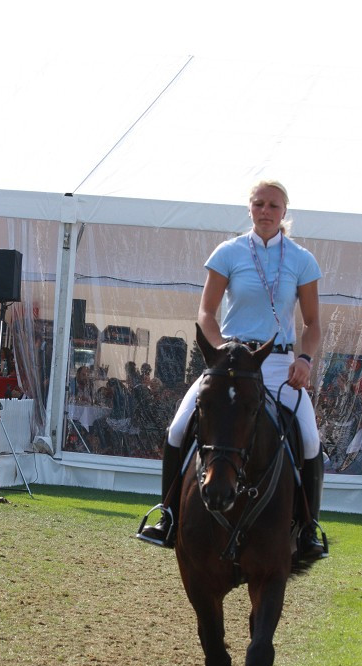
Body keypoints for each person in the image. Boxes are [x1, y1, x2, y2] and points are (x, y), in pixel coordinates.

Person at [138, 179, 327, 560]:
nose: (265, 212)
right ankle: (168, 516)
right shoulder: (229, 252)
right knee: (177, 428)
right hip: (231, 361)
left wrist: (304, 361)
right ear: (250, 208)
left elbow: (311, 323)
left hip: (277, 363)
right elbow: (206, 312)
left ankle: (307, 529)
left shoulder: (302, 259)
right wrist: (221, 351)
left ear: (284, 212)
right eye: (259, 204)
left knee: (309, 439)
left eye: (273, 206)